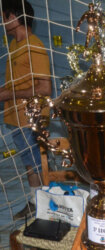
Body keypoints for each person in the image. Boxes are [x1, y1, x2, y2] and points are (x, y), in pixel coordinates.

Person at [0, 0, 52, 220]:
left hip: (31, 118)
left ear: (13, 17)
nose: (1, 23)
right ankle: (34, 202)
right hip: (15, 118)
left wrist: (7, 94)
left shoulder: (35, 46)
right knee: (29, 165)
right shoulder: (13, 45)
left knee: (38, 165)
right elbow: (16, 84)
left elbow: (45, 87)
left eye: (3, 17)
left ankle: (45, 209)